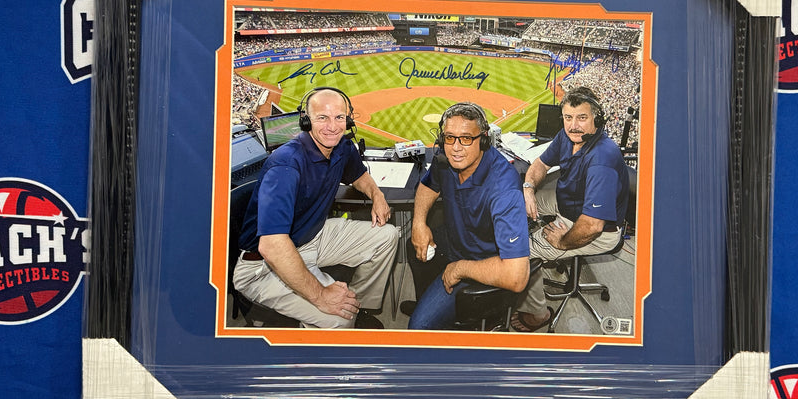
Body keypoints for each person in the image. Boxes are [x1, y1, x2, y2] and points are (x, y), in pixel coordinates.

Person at [233, 87, 398, 328]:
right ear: (306, 121)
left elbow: (359, 176)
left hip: (312, 237)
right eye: (322, 117)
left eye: (339, 117)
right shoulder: (286, 165)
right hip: (264, 266)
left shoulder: (341, 147)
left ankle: (358, 305)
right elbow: (272, 246)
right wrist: (321, 295)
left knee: (387, 236)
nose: (332, 126)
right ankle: (338, 320)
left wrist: (377, 195)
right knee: (339, 318)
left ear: (348, 120)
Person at [511, 87, 629, 332]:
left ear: (597, 119)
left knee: (520, 252)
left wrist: (562, 242)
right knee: (515, 204)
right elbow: (541, 163)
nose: (573, 125)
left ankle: (538, 314)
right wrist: (528, 189)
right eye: (568, 117)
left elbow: (592, 225)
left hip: (595, 228)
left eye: (582, 118)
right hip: (569, 202)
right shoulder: (567, 137)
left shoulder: (602, 159)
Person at [407, 102, 530, 330]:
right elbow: (428, 186)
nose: (455, 148)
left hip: (483, 263)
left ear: (483, 140)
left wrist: (460, 268)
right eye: (449, 137)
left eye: (466, 138)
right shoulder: (445, 158)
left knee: (418, 328)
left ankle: (451, 320)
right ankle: (428, 303)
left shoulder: (504, 189)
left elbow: (517, 276)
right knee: (413, 246)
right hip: (456, 241)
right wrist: (419, 223)